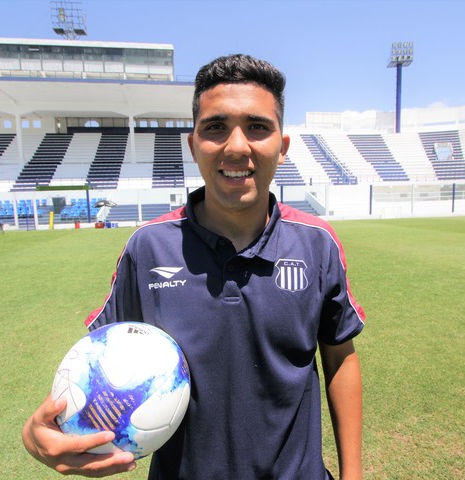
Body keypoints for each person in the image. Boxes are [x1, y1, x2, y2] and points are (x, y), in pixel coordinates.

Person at [22, 54, 366, 479]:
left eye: (257, 127)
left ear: (282, 145)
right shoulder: (147, 248)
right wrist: (39, 434)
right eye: (215, 127)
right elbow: (100, 363)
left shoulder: (318, 243)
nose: (236, 146)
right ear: (192, 144)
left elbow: (339, 356)